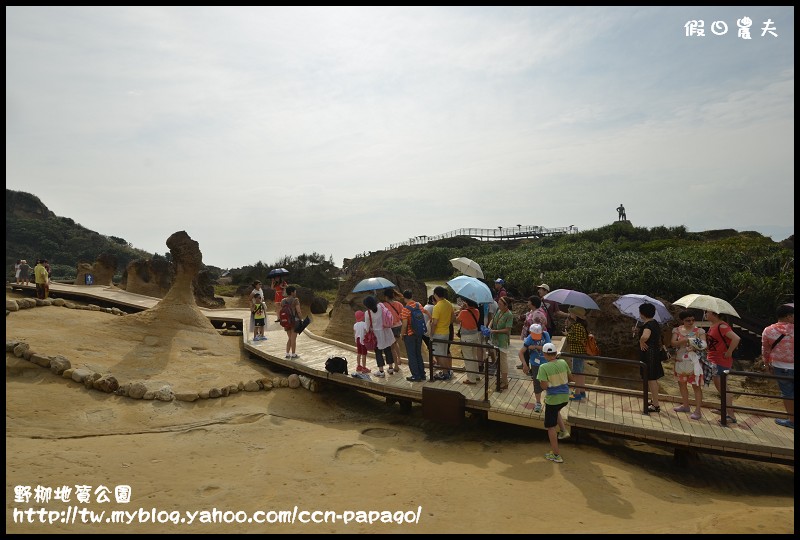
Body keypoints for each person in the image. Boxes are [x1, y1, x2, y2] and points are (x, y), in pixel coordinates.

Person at [537, 342, 574, 463]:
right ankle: (563, 431)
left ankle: (556, 454)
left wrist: (550, 383)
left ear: (544, 354)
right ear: (555, 353)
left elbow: (543, 386)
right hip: (564, 398)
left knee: (550, 427)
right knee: (556, 411)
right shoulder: (563, 362)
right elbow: (570, 377)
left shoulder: (543, 367)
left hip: (553, 400)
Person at [705, 309, 741, 424]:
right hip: (713, 358)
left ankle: (731, 415)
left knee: (723, 387)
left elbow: (736, 338)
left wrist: (729, 351)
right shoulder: (713, 325)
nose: (705, 314)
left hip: (721, 360)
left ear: (715, 314)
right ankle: (724, 408)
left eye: (707, 312)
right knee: (719, 386)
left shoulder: (722, 326)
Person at [670, 310, 707, 420]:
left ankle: (698, 410)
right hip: (681, 360)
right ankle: (685, 405)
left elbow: (704, 345)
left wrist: (694, 344)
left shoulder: (700, 331)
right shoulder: (677, 330)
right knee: (682, 384)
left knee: (696, 386)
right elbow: (672, 343)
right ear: (682, 321)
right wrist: (684, 340)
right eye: (687, 320)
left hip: (694, 362)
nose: (691, 322)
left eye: (692, 320)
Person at [762, 304, 794, 429]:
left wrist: (766, 363)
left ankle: (791, 420)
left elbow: (765, 349)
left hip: (780, 366)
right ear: (788, 316)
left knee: (787, 393)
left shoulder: (768, 330)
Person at [637, 303, 664, 413]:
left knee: (651, 379)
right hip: (654, 353)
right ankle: (654, 400)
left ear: (642, 313)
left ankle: (656, 405)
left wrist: (641, 341)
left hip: (649, 355)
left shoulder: (648, 325)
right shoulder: (654, 323)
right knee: (653, 379)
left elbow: (645, 336)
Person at [362, 295, 397, 377]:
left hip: (377, 335)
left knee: (378, 352)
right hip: (386, 332)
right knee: (388, 350)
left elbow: (367, 327)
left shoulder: (367, 313)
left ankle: (381, 371)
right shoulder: (381, 306)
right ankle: (391, 368)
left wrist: (367, 330)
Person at [520, 324, 552, 412]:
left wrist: (535, 347)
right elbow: (521, 352)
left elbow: (548, 348)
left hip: (546, 363)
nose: (537, 338)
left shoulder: (546, 335)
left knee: (548, 382)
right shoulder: (529, 338)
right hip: (535, 364)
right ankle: (538, 402)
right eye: (535, 335)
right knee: (536, 383)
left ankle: (550, 401)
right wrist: (525, 364)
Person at [399, 290, 426, 382]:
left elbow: (405, 324)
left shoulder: (405, 309)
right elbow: (424, 313)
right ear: (412, 296)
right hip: (419, 333)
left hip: (410, 335)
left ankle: (416, 375)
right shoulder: (418, 305)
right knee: (418, 353)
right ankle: (422, 374)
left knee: (412, 355)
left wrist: (402, 334)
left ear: (404, 297)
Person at [564, 305, 590, 401]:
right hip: (580, 352)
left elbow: (578, 339)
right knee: (580, 372)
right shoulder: (580, 325)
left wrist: (568, 335)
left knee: (577, 373)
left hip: (577, 352)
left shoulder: (577, 326)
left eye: (572, 312)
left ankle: (577, 394)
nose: (570, 313)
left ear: (576, 315)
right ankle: (582, 392)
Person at [488, 296, 514, 389]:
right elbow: (492, 319)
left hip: (502, 340)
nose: (498, 305)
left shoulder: (509, 314)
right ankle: (500, 378)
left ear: (506, 305)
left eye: (500, 304)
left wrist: (494, 331)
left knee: (503, 361)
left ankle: (505, 381)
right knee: (497, 360)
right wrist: (489, 326)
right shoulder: (499, 311)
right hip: (495, 339)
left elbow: (507, 329)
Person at [455, 296, 482, 384]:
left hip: (466, 337)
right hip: (475, 336)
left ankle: (471, 379)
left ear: (467, 302)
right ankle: (476, 376)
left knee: (468, 358)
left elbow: (456, 320)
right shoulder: (477, 311)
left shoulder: (463, 312)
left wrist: (461, 309)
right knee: (474, 357)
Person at [430, 286, 455, 381]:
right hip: (446, 332)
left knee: (440, 355)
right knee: (444, 353)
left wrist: (431, 335)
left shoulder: (437, 306)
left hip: (438, 333)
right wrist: (448, 323)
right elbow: (453, 317)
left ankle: (445, 373)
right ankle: (447, 371)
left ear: (436, 294)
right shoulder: (448, 304)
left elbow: (434, 323)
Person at [382, 289, 405, 371]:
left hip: (391, 327)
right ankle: (399, 359)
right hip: (399, 326)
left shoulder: (383, 305)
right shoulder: (399, 304)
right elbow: (402, 315)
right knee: (395, 344)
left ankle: (396, 366)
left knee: (392, 347)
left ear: (386, 297)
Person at [281, 286, 303, 359]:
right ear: (292, 292)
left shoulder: (283, 300)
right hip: (294, 321)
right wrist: (301, 319)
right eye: (295, 291)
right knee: (293, 338)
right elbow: (299, 311)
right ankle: (293, 354)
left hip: (286, 321)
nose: (295, 293)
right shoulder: (296, 300)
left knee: (290, 338)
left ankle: (287, 353)